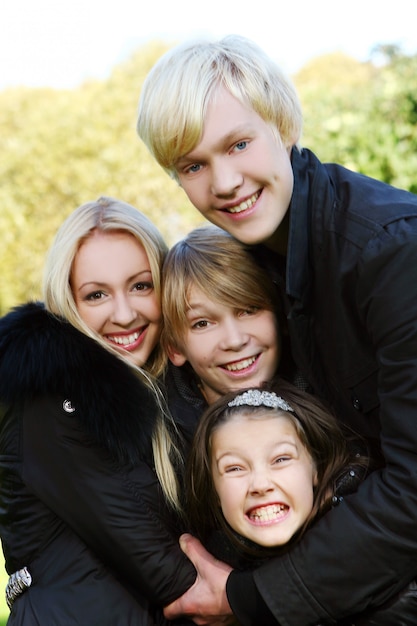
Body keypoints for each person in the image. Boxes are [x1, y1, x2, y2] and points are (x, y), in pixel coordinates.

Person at [137, 34, 417, 625]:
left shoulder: (390, 253)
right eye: (194, 165)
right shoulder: (256, 262)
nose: (225, 182)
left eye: (238, 144)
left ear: (283, 125)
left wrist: (250, 599)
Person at [0, 196, 196, 625]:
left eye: (141, 285)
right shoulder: (49, 396)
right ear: (68, 300)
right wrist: (259, 594)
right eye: (96, 295)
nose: (124, 314)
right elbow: (166, 572)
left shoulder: (168, 391)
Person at [187, 382, 417, 625]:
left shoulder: (396, 586)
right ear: (213, 489)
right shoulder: (211, 585)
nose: (260, 484)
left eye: (281, 459)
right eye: (234, 468)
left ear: (316, 468)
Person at [160, 224, 298, 450]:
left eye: (249, 310)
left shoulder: (332, 408)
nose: (235, 341)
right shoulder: (167, 446)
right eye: (202, 323)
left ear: (280, 315)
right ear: (175, 348)